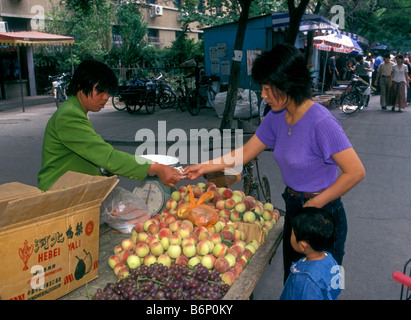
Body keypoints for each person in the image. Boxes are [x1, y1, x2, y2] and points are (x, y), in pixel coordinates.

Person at [182, 44, 366, 282]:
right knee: (293, 280)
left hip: (322, 214)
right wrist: (204, 167)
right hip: (293, 206)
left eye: (268, 88)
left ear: (287, 85)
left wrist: (314, 204)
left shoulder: (322, 122)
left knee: (319, 286)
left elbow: (355, 172)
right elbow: (246, 152)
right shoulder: (276, 117)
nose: (263, 95)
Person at [38, 60, 180, 191]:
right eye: (100, 91)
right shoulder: (69, 115)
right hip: (59, 192)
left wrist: (105, 170)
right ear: (81, 86)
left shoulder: (75, 110)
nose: (105, 97)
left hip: (73, 188)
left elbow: (92, 154)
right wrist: (156, 168)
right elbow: (108, 156)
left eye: (108, 92)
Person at [280, 207, 342, 300]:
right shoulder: (330, 259)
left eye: (292, 234)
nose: (290, 235)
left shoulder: (306, 280)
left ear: (302, 246)